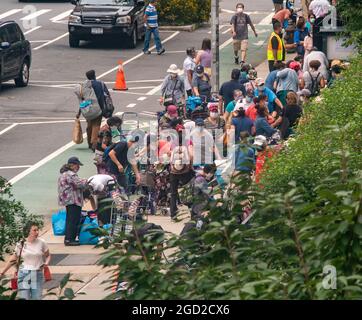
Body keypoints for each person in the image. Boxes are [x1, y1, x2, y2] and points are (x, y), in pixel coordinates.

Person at [0, 222, 51, 300]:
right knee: (24, 298)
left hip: (37, 274)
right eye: (34, 230)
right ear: (28, 231)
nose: (37, 232)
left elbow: (48, 255)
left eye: (37, 230)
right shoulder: (21, 243)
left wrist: (46, 263)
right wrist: (2, 272)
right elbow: (13, 259)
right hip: (24, 274)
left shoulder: (41, 242)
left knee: (36, 298)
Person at [75, 70, 110, 151]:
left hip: (87, 110)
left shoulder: (84, 86)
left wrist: (79, 112)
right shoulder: (100, 84)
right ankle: (94, 144)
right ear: (94, 75)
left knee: (89, 126)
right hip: (98, 109)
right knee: (96, 126)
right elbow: (106, 97)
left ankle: (89, 143)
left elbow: (83, 101)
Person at [58, 157, 88, 246]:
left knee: (70, 219)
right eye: (77, 165)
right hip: (73, 200)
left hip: (68, 200)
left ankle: (69, 238)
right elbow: (80, 184)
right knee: (73, 220)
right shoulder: (71, 175)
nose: (78, 167)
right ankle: (70, 239)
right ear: (73, 165)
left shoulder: (64, 174)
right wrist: (87, 180)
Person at [169, 129, 194, 220]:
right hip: (185, 172)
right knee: (188, 191)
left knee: (173, 193)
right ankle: (192, 212)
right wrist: (190, 166)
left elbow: (169, 155)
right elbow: (191, 155)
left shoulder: (173, 143)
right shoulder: (188, 142)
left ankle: (173, 214)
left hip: (174, 171)